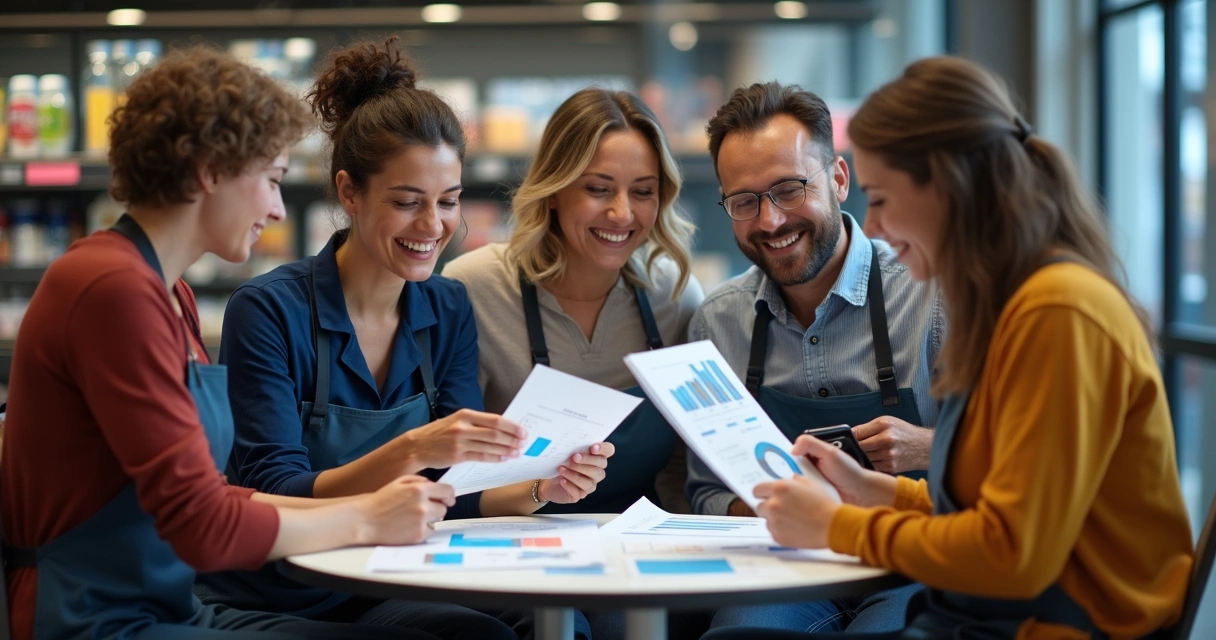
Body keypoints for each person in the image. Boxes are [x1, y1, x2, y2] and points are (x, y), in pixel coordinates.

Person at [705, 56, 1194, 640]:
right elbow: (995, 509)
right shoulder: (1020, 303)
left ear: (947, 189)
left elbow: (1012, 553)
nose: (878, 228)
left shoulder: (1059, 312)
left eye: (882, 198)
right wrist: (873, 493)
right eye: (744, 201)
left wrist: (839, 525)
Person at [0, 46, 448, 640]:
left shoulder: (169, 292)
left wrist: (373, 513)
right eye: (270, 180)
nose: (277, 208)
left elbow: (212, 495)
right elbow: (202, 527)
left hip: (171, 608)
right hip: (92, 619)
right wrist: (366, 516)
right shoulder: (113, 290)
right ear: (210, 171)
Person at [197, 40, 611, 639]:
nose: (432, 226)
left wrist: (540, 487)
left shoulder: (446, 306)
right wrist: (416, 449)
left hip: (394, 572)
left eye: (448, 202)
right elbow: (274, 491)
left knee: (558, 620)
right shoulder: (268, 310)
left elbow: (456, 492)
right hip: (291, 593)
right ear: (348, 192)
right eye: (406, 202)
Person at [442, 87, 704, 637]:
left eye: (643, 192)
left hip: (634, 554)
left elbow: (683, 464)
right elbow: (446, 470)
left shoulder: (673, 296)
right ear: (555, 189)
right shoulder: (473, 288)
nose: (622, 213)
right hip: (506, 552)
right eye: (598, 189)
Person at [685, 82, 941, 635]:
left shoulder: (932, 297)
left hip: (913, 563)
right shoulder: (718, 322)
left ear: (840, 179)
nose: (770, 221)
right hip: (784, 570)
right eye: (745, 201)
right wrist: (753, 508)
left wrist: (926, 446)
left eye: (789, 189)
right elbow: (704, 489)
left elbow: (1013, 472)